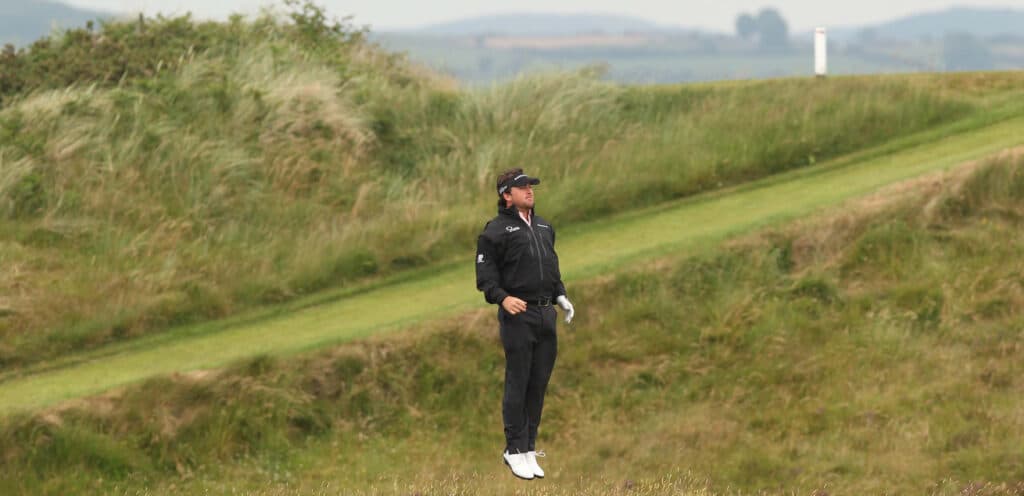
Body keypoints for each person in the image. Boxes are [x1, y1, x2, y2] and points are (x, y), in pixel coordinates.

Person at [475, 168, 575, 480]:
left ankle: (529, 447)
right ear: (507, 195)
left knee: (538, 383)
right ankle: (513, 448)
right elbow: (486, 278)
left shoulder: (545, 227)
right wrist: (503, 298)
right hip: (518, 316)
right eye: (522, 187)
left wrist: (561, 296)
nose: (530, 191)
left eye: (531, 186)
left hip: (547, 315)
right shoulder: (494, 232)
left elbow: (552, 269)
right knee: (518, 381)